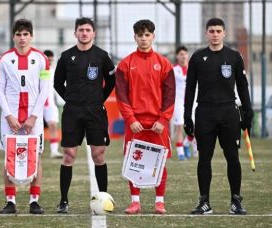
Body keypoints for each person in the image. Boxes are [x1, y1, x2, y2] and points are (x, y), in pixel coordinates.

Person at [184, 18, 253, 215]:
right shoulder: (197, 57)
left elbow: (242, 85)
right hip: (205, 112)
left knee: (232, 156)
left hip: (228, 112)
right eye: (211, 31)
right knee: (204, 158)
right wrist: (187, 115)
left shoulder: (234, 56)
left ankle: (236, 201)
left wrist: (248, 111)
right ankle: (204, 202)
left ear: (224, 33)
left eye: (218, 31)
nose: (215, 34)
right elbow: (190, 89)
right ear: (206, 33)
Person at [54, 17, 115, 213]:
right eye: (81, 30)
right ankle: (63, 201)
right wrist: (71, 100)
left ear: (93, 33)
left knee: (98, 155)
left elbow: (111, 82)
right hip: (72, 111)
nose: (84, 33)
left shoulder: (102, 56)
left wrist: (98, 100)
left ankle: (104, 198)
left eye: (88, 30)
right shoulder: (66, 56)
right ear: (75, 33)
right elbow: (57, 83)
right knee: (69, 155)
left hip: (95, 111)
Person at [115, 19, 175, 214]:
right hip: (135, 124)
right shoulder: (125, 64)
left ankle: (160, 202)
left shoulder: (164, 64)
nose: (143, 38)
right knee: (134, 161)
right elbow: (121, 95)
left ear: (153, 37)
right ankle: (135, 202)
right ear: (135, 37)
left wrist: (163, 119)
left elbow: (170, 94)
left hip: (158, 122)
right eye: (140, 35)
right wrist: (130, 119)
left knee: (160, 161)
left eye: (147, 35)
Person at [0, 19, 50, 214]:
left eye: (25, 34)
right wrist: (9, 116)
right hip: (10, 119)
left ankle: (34, 201)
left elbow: (45, 89)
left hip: (33, 119)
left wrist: (34, 116)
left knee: (36, 156)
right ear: (13, 36)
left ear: (31, 36)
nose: (22, 38)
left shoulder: (42, 58)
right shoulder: (4, 59)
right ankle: (10, 201)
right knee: (8, 156)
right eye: (18, 34)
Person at [172, 46, 198, 160]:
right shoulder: (174, 70)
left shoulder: (193, 68)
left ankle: (187, 144)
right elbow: (183, 79)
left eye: (185, 54)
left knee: (195, 128)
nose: (183, 56)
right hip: (178, 101)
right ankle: (180, 152)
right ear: (177, 56)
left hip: (192, 102)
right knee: (179, 127)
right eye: (181, 54)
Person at [43, 49, 63, 159]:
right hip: (37, 104)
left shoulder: (54, 71)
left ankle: (54, 151)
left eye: (51, 60)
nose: (49, 62)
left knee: (53, 126)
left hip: (50, 104)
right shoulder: (38, 70)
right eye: (48, 60)